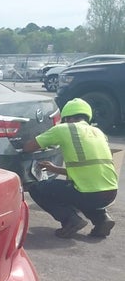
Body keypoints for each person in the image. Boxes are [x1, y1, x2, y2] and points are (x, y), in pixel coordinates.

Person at [23, 98, 118, 238]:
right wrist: (55, 169)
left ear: (67, 117)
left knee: (37, 188)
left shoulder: (64, 129)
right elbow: (88, 168)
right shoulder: (99, 132)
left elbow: (28, 147)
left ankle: (71, 220)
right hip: (110, 193)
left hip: (88, 193)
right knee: (83, 191)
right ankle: (102, 219)